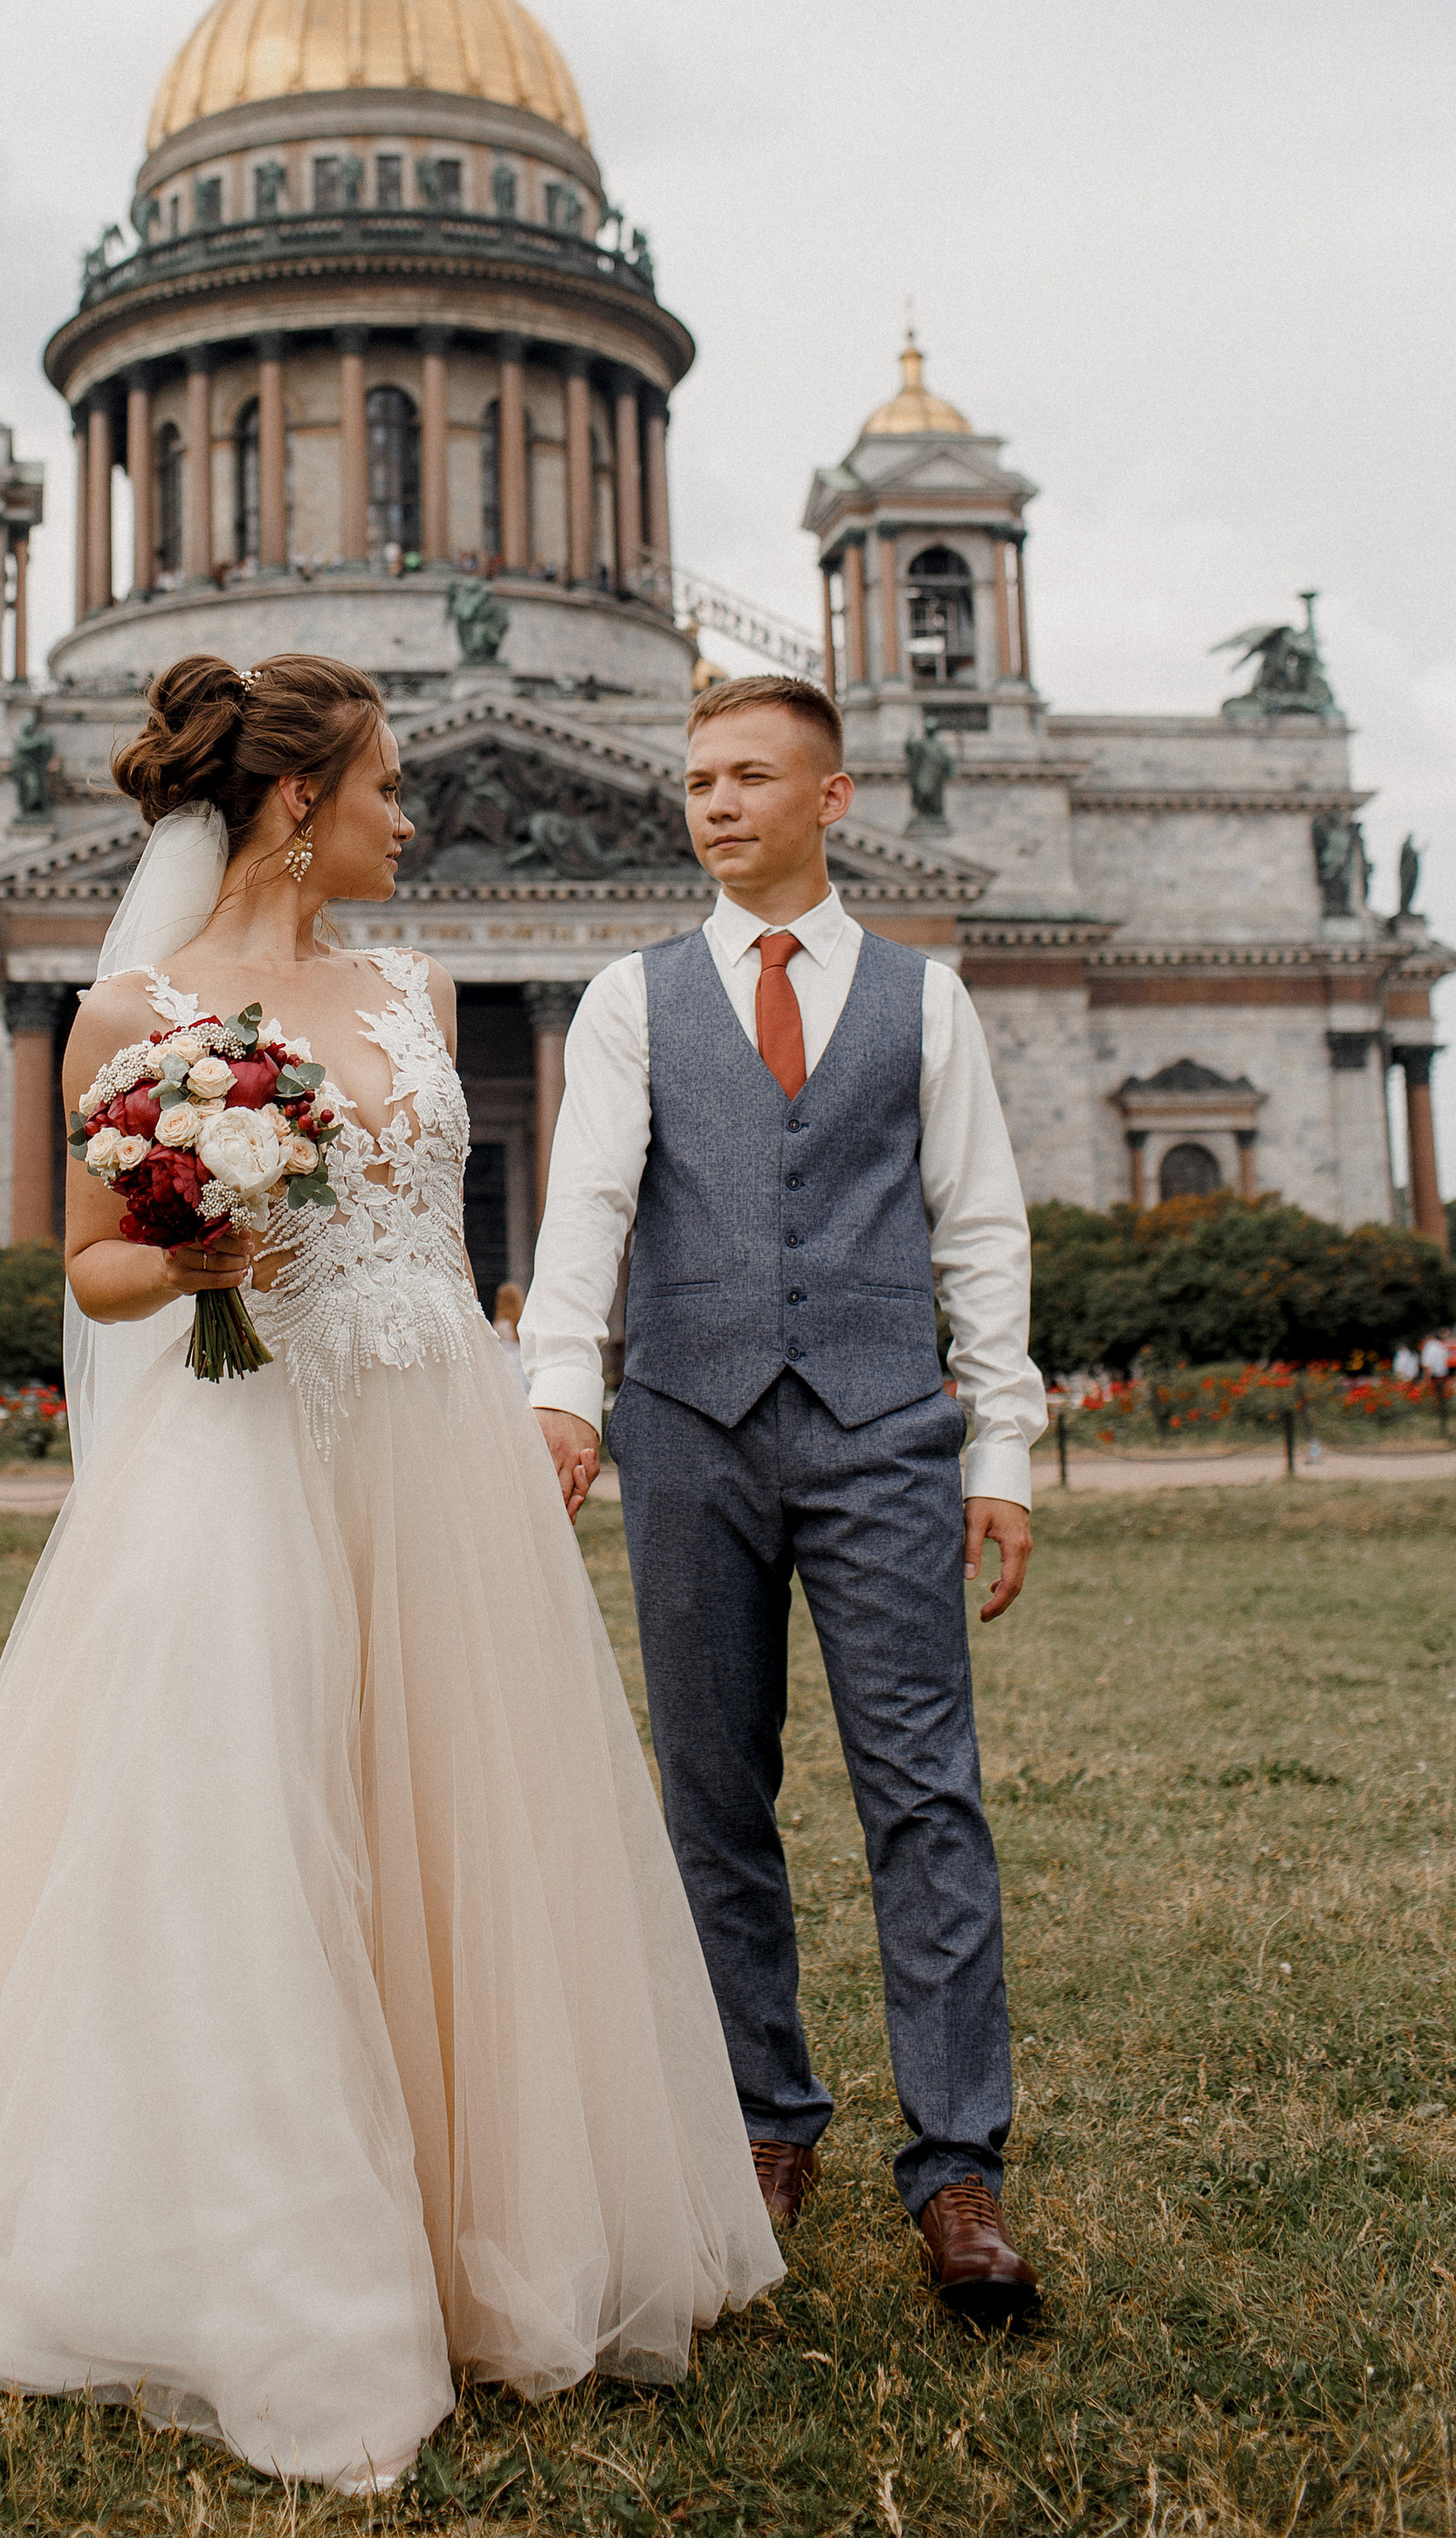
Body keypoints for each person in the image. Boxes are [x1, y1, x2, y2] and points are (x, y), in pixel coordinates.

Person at [0, 654, 779, 2487]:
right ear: (303, 803)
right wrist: (198, 1259)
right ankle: (269, 2244)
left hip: (434, 1458)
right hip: (253, 1452)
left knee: (458, 1820)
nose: (417, 817)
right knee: (253, 1828)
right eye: (390, 786)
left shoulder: (422, 980)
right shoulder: (129, 1011)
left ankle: (483, 2205)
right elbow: (89, 1261)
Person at [521, 672, 1047, 2327]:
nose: (715, 803)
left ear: (832, 800)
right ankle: (764, 2122)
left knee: (923, 1794)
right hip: (688, 1430)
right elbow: (587, 1199)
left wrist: (1003, 1450)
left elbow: (982, 1231)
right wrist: (558, 1391)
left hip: (887, 1432)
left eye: (751, 776)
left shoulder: (926, 1002)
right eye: (697, 780)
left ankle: (956, 2169)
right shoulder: (630, 998)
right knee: (711, 1800)